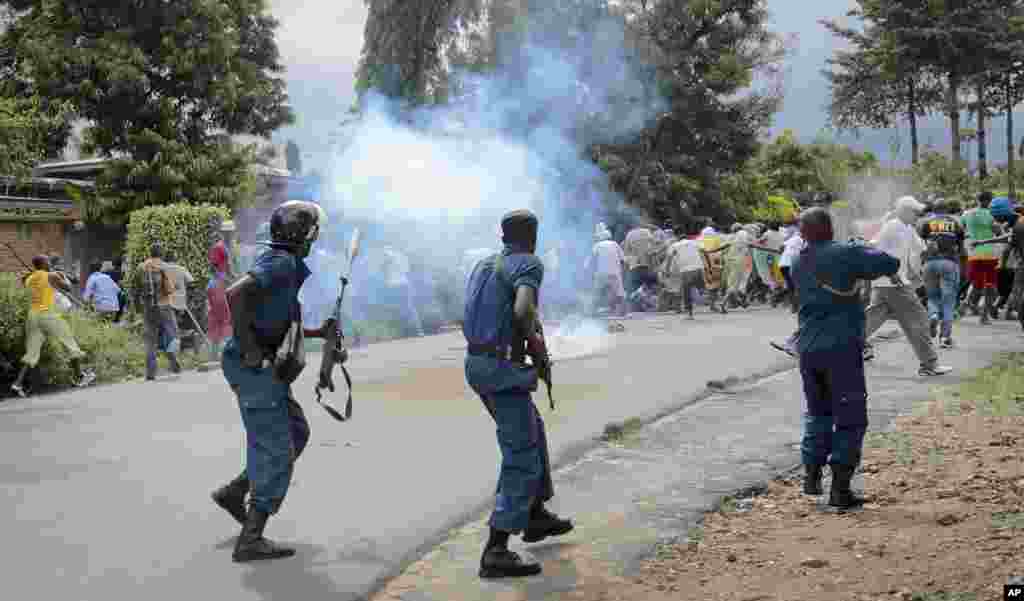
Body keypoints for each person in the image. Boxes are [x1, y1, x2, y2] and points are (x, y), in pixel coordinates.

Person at [211, 200, 341, 563]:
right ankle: (251, 538)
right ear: (308, 235)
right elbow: (236, 295)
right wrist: (252, 351)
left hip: (262, 365)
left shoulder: (285, 264)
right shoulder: (281, 263)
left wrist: (317, 331)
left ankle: (235, 492)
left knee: (296, 431)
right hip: (254, 367)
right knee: (277, 449)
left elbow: (275, 317)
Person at [463, 209, 573, 579]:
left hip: (479, 364)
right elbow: (523, 309)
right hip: (501, 369)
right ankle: (496, 548)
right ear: (534, 236)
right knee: (522, 453)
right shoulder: (528, 263)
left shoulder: (484, 264)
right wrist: (538, 350)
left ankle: (534, 513)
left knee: (532, 430)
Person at [791, 208, 900, 509]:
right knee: (850, 418)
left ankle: (811, 477)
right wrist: (862, 245)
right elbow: (890, 263)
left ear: (804, 233)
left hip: (808, 348)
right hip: (841, 347)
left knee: (818, 413)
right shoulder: (846, 253)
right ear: (830, 228)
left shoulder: (799, 261)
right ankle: (840, 489)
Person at [862, 196, 951, 377]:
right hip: (893, 282)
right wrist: (891, 273)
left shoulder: (907, 228)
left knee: (870, 320)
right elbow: (875, 249)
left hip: (887, 282)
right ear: (904, 211)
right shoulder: (893, 226)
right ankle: (929, 364)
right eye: (914, 212)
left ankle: (839, 347)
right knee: (918, 319)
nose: (917, 215)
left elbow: (920, 248)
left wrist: (930, 248)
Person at [9, 255, 96, 398]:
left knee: (32, 353)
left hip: (33, 317)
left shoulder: (30, 279)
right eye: (48, 262)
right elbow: (67, 287)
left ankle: (17, 384)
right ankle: (79, 376)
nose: (50, 264)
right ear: (43, 264)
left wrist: (36, 273)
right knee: (70, 344)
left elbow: (25, 280)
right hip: (48, 315)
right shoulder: (51, 275)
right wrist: (60, 274)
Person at [919, 200, 965, 348]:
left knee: (933, 296)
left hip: (930, 263)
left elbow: (922, 242)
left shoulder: (926, 222)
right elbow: (962, 249)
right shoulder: (955, 222)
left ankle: (933, 315)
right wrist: (962, 267)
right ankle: (945, 338)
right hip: (949, 262)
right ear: (947, 209)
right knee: (948, 300)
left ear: (934, 209)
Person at [975, 197, 1024, 331]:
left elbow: (1007, 248)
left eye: (996, 216)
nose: (995, 219)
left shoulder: (1019, 224)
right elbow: (1008, 238)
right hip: (1019, 265)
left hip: (1021, 266)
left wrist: (1001, 268)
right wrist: (983, 242)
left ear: (1004, 213)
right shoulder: (1017, 223)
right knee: (1015, 299)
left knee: (1017, 300)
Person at [135, 243, 182, 380]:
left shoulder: (141, 267)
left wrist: (138, 307)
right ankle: (172, 357)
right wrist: (177, 287)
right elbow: (171, 288)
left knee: (150, 340)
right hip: (164, 305)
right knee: (173, 334)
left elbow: (135, 289)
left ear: (150, 253)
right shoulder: (164, 266)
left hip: (148, 307)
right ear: (161, 254)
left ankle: (150, 373)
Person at [961, 191, 1001, 323]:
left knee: (976, 284)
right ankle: (984, 316)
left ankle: (964, 305)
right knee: (990, 285)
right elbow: (998, 232)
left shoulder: (966, 214)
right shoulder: (992, 215)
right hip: (990, 254)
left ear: (977, 200)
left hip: (974, 253)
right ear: (988, 201)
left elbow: (961, 230)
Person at [662, 228, 705, 319]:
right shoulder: (694, 242)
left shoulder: (675, 245)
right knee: (700, 286)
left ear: (677, 236)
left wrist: (667, 270)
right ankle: (704, 292)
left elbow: (669, 258)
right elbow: (703, 251)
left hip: (686, 270)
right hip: (699, 268)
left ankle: (689, 313)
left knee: (687, 292)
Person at [587, 224, 627, 317]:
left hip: (601, 273)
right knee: (620, 292)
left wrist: (589, 271)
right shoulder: (615, 244)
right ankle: (623, 311)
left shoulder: (597, 245)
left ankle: (592, 312)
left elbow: (591, 260)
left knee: (596, 292)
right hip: (615, 272)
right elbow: (623, 260)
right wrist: (623, 272)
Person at [206, 240, 233, 361]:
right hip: (221, 286)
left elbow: (213, 266)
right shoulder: (222, 246)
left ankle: (213, 355)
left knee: (215, 321)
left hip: (212, 285)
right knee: (226, 320)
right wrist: (231, 278)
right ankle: (226, 354)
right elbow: (228, 266)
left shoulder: (214, 249)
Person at [162, 250, 195, 332]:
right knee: (178, 324)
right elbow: (192, 283)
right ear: (175, 259)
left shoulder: (162, 270)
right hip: (180, 302)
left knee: (168, 327)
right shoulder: (182, 269)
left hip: (166, 302)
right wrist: (189, 300)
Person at [622, 224, 656, 303]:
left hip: (634, 264)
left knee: (632, 286)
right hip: (647, 263)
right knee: (649, 284)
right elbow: (653, 248)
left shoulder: (629, 234)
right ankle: (644, 298)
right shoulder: (647, 232)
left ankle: (633, 300)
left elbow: (626, 251)